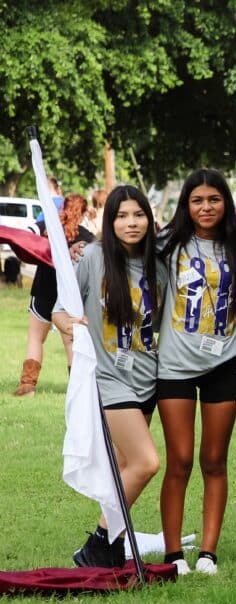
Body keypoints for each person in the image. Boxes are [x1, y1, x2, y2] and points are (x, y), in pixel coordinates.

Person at [52, 186, 162, 567]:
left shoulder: (158, 263)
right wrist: (69, 322)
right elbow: (59, 309)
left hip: (149, 379)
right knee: (146, 463)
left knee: (122, 470)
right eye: (121, 216)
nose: (131, 223)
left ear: (149, 219)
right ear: (109, 220)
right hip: (109, 379)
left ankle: (111, 544)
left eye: (138, 215)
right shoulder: (94, 257)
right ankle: (98, 544)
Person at [156, 169, 236, 575]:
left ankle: (208, 552)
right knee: (178, 459)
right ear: (186, 205)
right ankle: (174, 553)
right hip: (174, 365)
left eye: (214, 199)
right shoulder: (166, 244)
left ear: (226, 202)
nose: (206, 207)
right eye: (197, 200)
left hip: (222, 362)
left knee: (215, 459)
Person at [14, 193, 93, 397]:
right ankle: (80, 390)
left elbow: (25, 234)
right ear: (83, 212)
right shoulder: (87, 237)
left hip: (42, 291)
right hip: (68, 297)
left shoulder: (47, 227)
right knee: (71, 342)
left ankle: (27, 386)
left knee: (35, 338)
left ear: (63, 207)